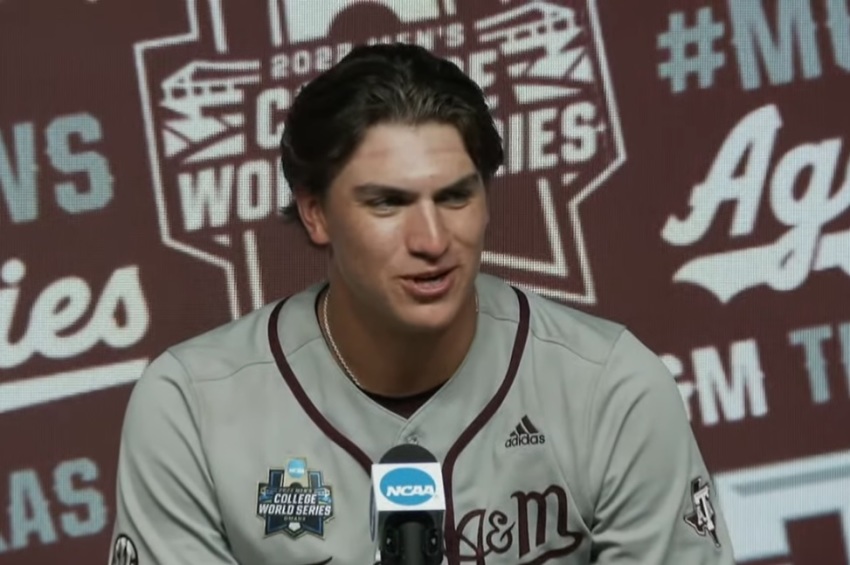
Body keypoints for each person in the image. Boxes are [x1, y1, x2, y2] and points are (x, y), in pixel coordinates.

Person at [107, 43, 737, 565]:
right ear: (316, 213)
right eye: (388, 203)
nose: (433, 241)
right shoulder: (190, 406)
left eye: (456, 197)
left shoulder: (610, 386)